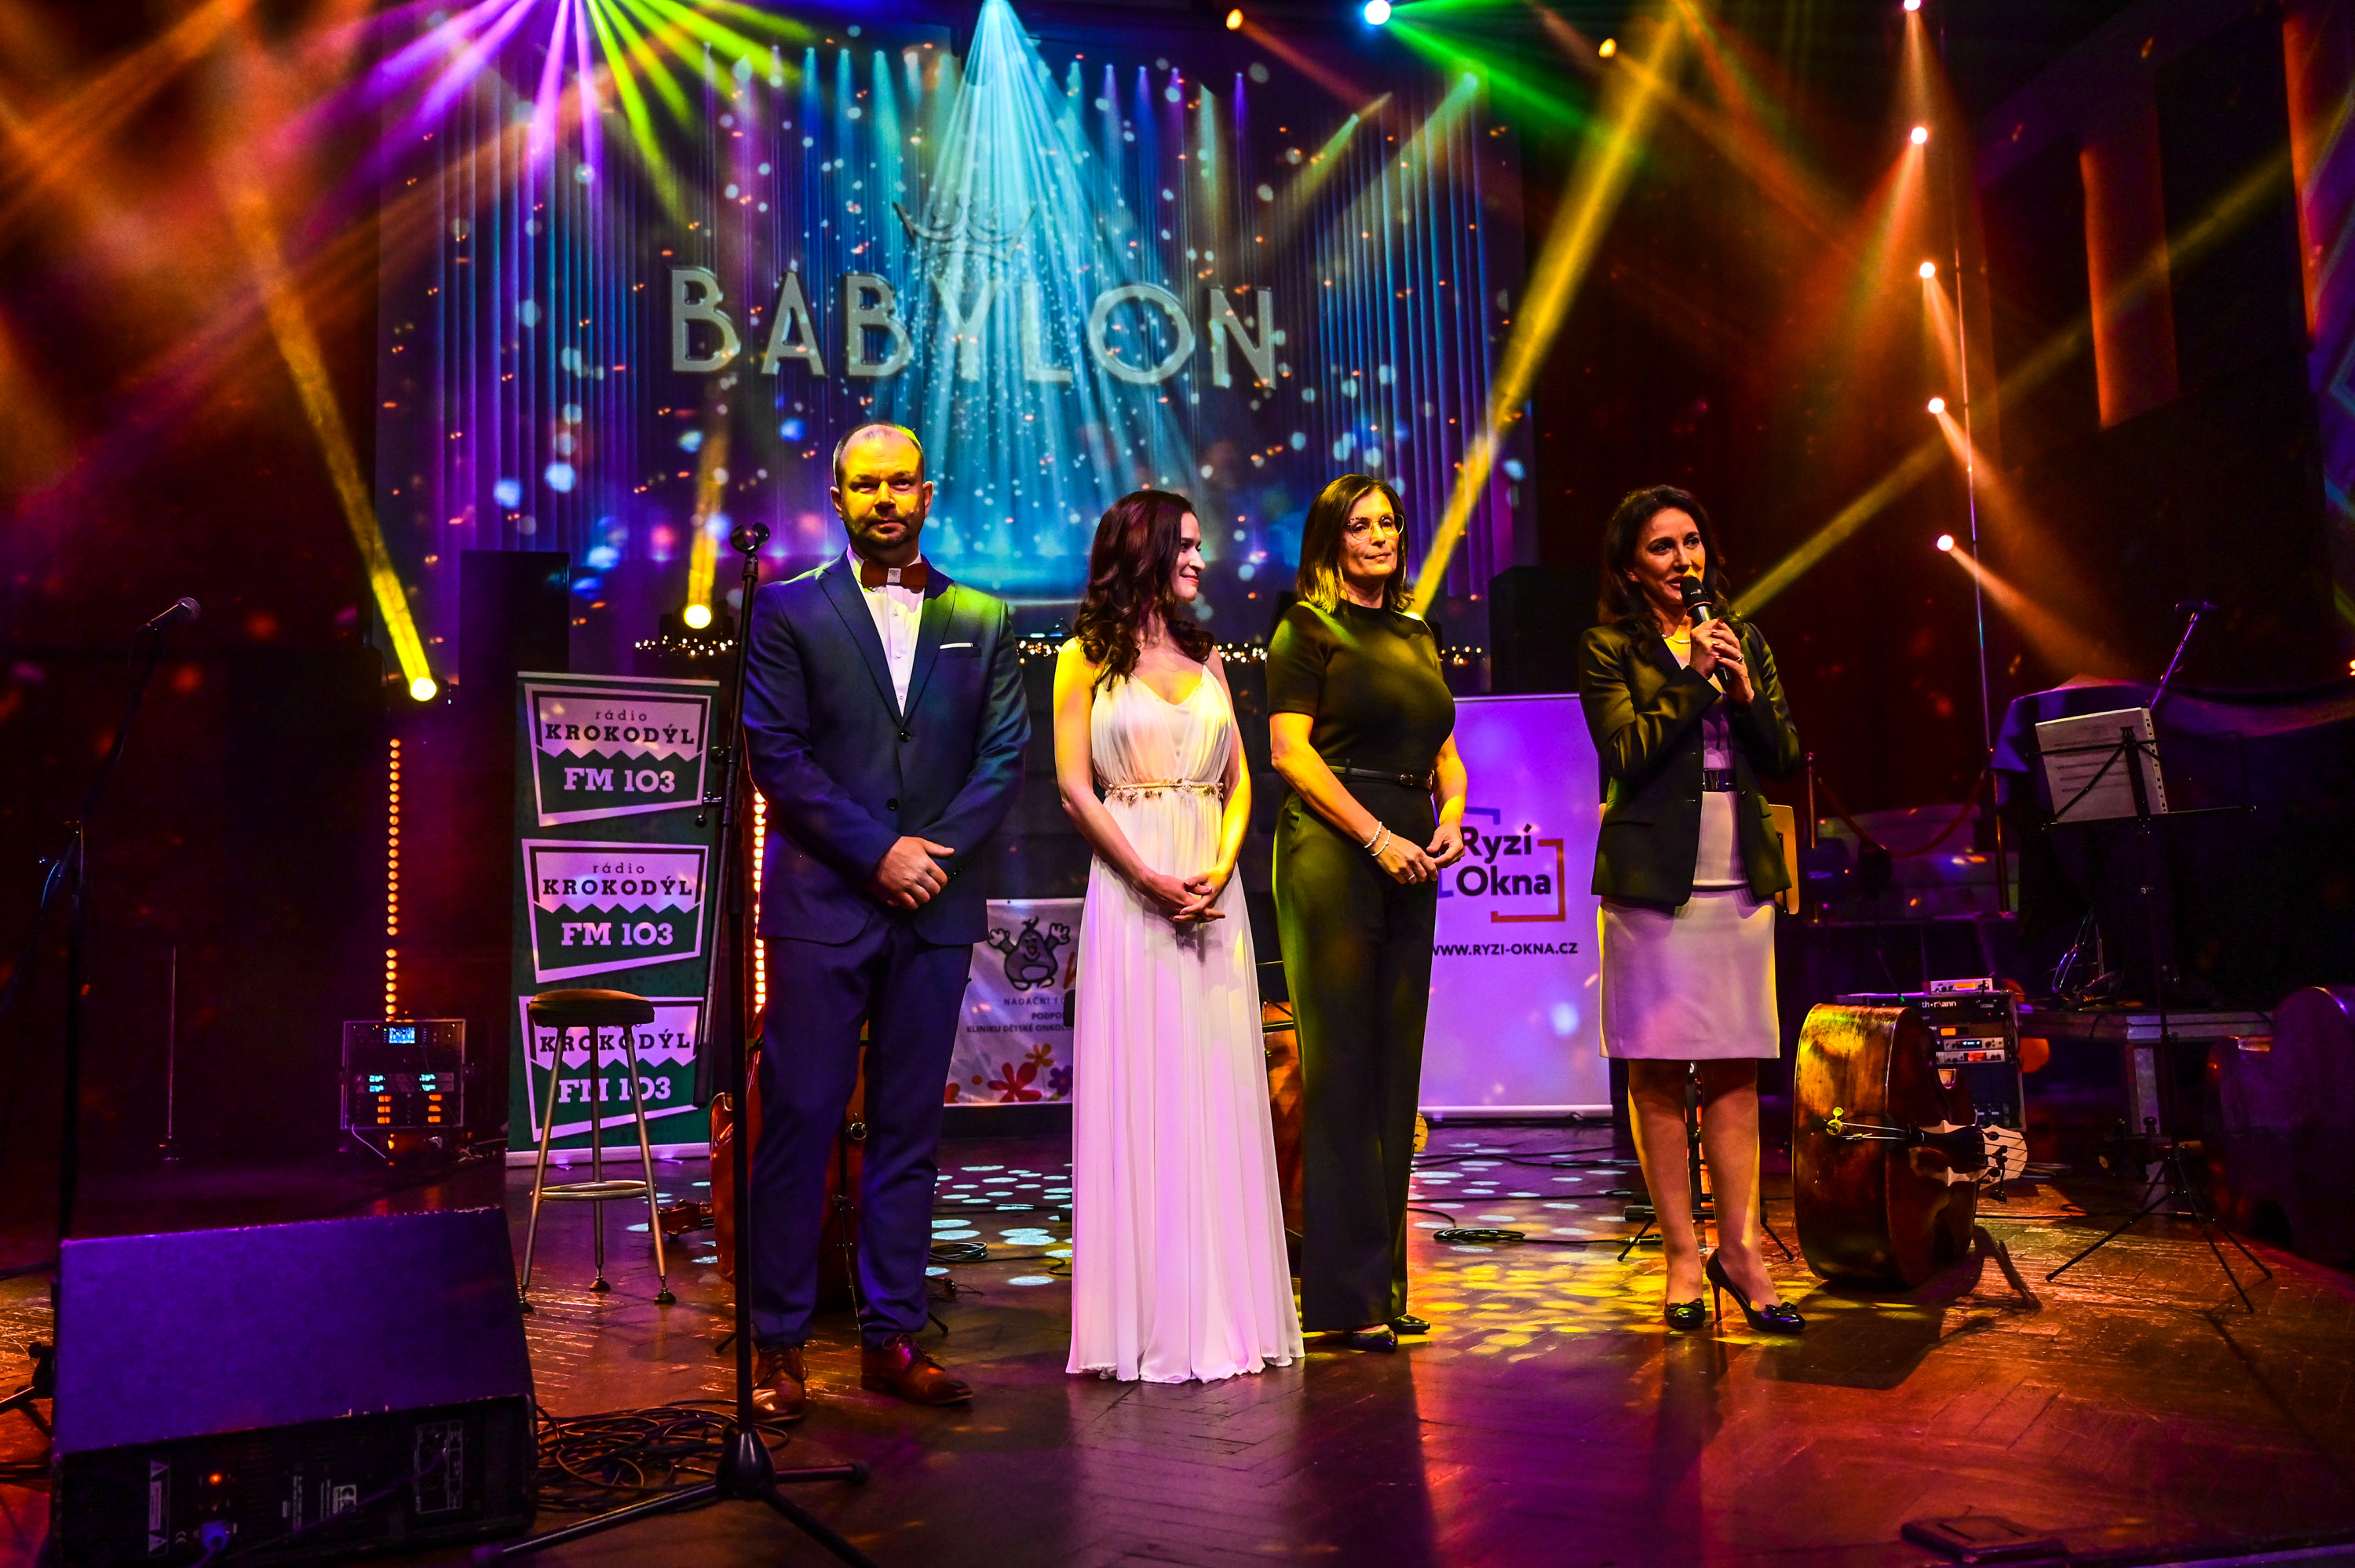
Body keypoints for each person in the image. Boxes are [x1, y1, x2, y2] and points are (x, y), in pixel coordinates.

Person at [739, 423, 1029, 1417]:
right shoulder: (787, 609)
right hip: (822, 907)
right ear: (838, 498)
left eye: (901, 483)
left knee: (909, 1130)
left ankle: (893, 1339)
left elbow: (1003, 758)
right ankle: (778, 1347)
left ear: (927, 493)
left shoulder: (983, 615)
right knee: (800, 1122)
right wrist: (879, 853)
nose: (886, 500)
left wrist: (926, 857)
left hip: (933, 909)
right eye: (866, 486)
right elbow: (777, 756)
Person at [1054, 490, 1304, 1383]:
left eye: (1200, 544)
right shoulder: (1083, 659)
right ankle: (1148, 1316)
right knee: (1145, 1085)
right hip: (1134, 891)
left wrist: (1223, 866)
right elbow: (1075, 788)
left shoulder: (1208, 655)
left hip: (1212, 892)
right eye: (1186, 544)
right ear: (1146, 551)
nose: (1200, 559)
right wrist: (1147, 878)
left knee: (1217, 1088)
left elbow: (1240, 780)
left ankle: (1225, 1310)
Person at [1579, 485, 1805, 1335]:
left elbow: (1785, 755)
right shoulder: (1609, 647)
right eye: (1663, 547)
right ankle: (1681, 1254)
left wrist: (1744, 694)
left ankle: (1740, 1251)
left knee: (1738, 1066)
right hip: (1653, 872)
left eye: (1692, 542)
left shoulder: (1746, 637)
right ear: (1632, 568)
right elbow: (1627, 752)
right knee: (1657, 1069)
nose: (1684, 560)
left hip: (1737, 866)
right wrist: (1691, 676)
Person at [1267, 474, 1468, 1352]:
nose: (1380, 536)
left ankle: (1384, 1287)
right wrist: (1377, 836)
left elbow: (1445, 750)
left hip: (1412, 854)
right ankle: (1343, 1300)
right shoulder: (1307, 628)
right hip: (1334, 850)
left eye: (1389, 522)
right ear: (1332, 539)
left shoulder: (1418, 633)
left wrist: (1452, 815)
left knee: (1395, 1071)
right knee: (1344, 1071)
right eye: (1361, 525)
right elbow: (1290, 754)